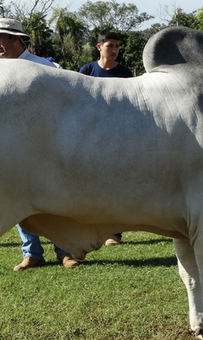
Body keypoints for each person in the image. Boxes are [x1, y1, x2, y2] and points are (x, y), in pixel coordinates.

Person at [0, 18, 80, 271]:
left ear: (15, 38)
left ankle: (65, 251)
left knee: (56, 200)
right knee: (18, 201)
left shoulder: (47, 67)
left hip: (47, 148)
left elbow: (67, 104)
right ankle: (32, 253)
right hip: (11, 148)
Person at [79, 29, 133, 246]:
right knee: (92, 183)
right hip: (91, 135)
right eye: (110, 46)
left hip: (118, 135)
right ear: (99, 47)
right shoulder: (87, 70)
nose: (115, 50)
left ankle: (114, 233)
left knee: (116, 184)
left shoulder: (125, 72)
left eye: (117, 46)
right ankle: (92, 230)